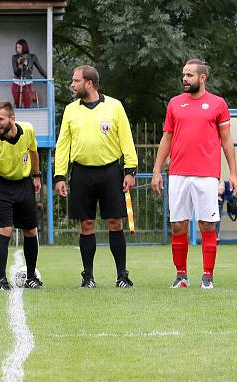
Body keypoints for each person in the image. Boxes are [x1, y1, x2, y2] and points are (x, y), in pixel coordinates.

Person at [151, 59, 237, 289]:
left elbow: (227, 141)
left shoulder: (218, 104)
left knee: (207, 225)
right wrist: (157, 170)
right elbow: (167, 138)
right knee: (178, 225)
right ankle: (181, 276)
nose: (184, 79)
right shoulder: (175, 103)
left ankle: (207, 276)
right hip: (178, 173)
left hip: (207, 175)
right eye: (183, 75)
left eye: (189, 75)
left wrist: (234, 174)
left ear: (202, 78)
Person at [55, 65, 137, 288]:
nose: (72, 84)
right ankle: (88, 276)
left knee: (115, 222)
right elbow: (63, 144)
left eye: (76, 81)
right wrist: (59, 175)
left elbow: (126, 139)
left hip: (110, 171)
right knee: (87, 224)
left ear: (89, 83)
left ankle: (122, 275)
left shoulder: (114, 106)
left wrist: (130, 170)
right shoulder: (71, 110)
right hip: (82, 172)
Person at [0, 101, 43, 290]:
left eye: (0, 119)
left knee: (30, 231)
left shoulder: (28, 130)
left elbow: (34, 151)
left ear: (12, 118)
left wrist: (37, 176)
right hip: (2, 187)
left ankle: (31, 277)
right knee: (5, 230)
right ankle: (1, 280)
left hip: (24, 184)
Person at [11, 39, 47, 108]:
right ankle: (18, 118)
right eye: (17, 47)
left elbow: (40, 69)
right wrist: (20, 67)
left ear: (24, 47)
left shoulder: (32, 57)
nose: (17, 49)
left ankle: (27, 118)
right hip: (16, 83)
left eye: (19, 47)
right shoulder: (14, 57)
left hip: (27, 83)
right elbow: (16, 72)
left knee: (27, 103)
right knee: (17, 104)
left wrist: (48, 77)